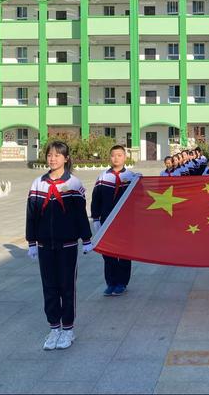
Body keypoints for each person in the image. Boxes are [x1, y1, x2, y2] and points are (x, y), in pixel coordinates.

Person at [26, 141, 93, 351]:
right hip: (45, 244)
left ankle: (68, 329)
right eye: (49, 155)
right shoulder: (38, 183)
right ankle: (54, 328)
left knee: (67, 286)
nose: (52, 158)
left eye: (57, 155)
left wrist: (87, 238)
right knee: (49, 287)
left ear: (66, 158)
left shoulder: (74, 183)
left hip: (67, 244)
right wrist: (32, 242)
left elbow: (81, 215)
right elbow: (32, 215)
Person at [91, 145, 138, 296]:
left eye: (119, 155)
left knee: (124, 253)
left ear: (125, 157)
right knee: (108, 253)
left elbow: (138, 200)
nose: (116, 158)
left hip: (126, 222)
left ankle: (122, 283)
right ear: (109, 157)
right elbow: (96, 199)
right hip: (106, 221)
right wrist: (95, 218)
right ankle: (110, 283)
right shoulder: (103, 177)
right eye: (113, 155)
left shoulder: (132, 177)